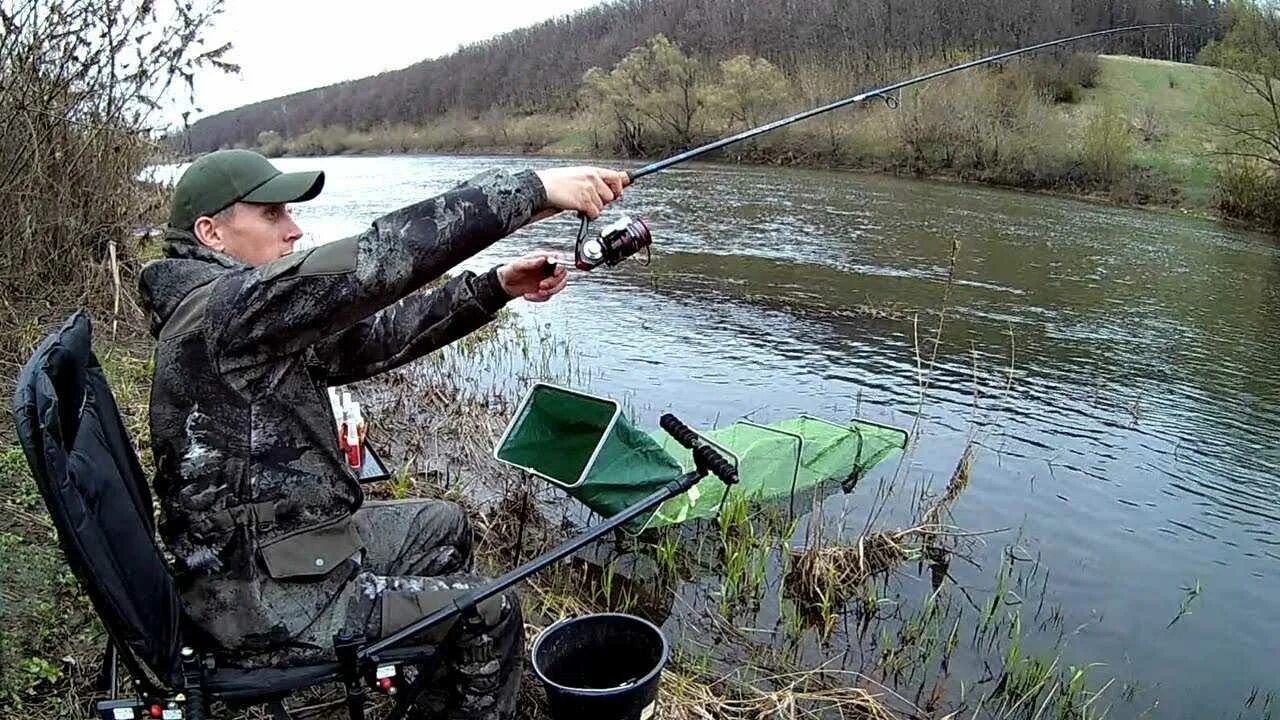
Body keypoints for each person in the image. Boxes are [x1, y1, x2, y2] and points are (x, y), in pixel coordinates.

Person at [138, 149, 627, 719]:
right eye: (272, 214)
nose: (294, 231)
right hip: (261, 599)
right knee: (491, 608)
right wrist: (533, 190)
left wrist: (493, 287)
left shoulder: (242, 318)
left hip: (285, 551)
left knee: (443, 526)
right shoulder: (224, 312)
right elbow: (377, 257)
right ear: (211, 232)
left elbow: (371, 340)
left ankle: (433, 685)